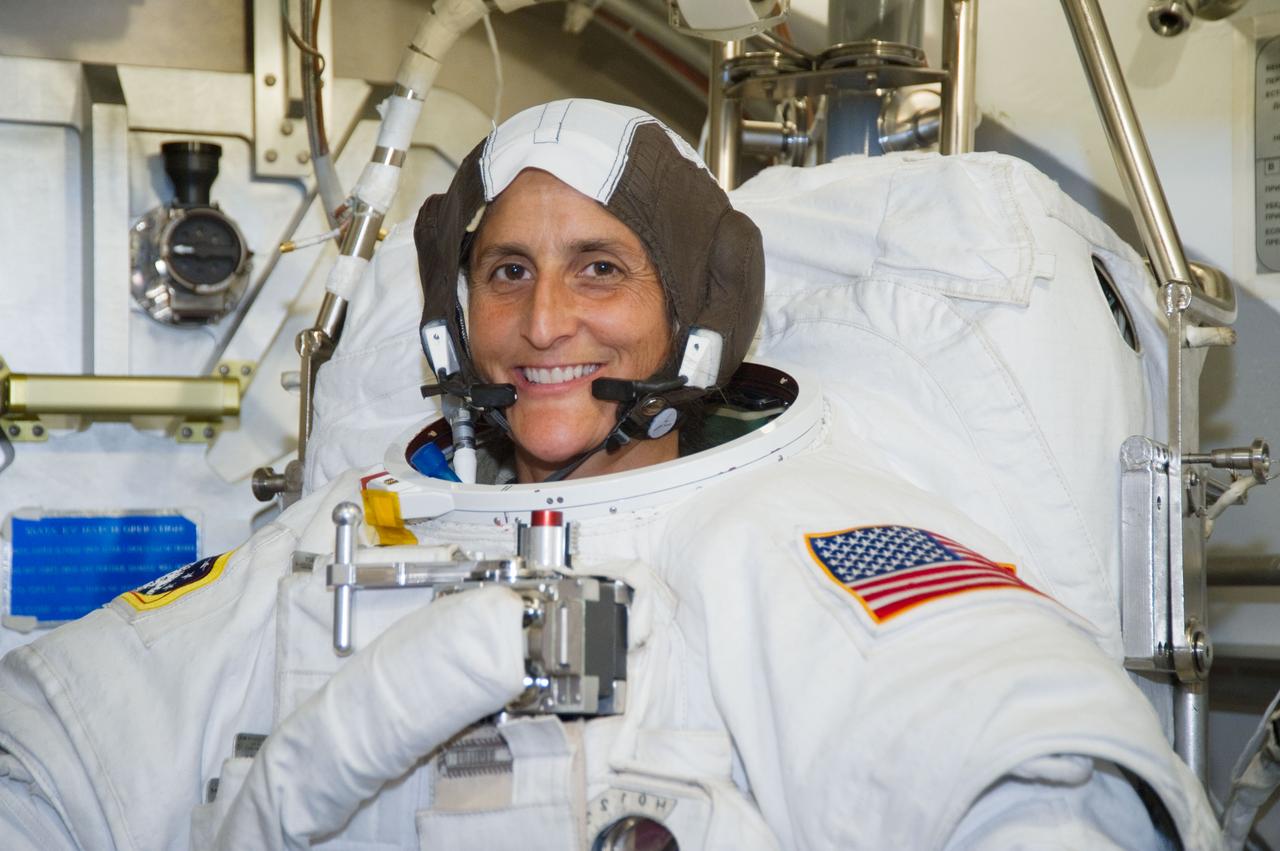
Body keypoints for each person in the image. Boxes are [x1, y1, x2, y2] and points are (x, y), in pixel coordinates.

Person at [0, 99, 1221, 849]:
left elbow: (1022, 770)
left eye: (599, 270)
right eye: (505, 272)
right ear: (450, 311)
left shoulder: (796, 533)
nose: (543, 329)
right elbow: (58, 752)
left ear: (691, 310)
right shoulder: (332, 539)